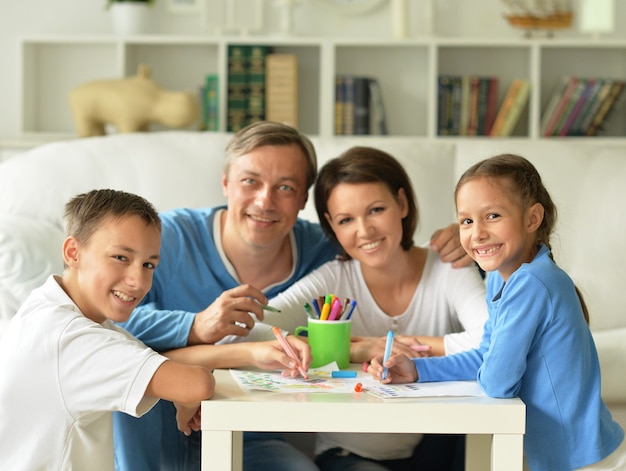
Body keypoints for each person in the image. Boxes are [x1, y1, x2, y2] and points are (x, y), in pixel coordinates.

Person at [113, 121, 472, 471]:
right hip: (151, 428)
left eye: (285, 188)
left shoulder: (325, 248)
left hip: (252, 437)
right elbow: (109, 321)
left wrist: (467, 235)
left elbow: (382, 245)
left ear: (303, 200)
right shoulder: (168, 236)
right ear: (225, 183)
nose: (265, 201)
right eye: (250, 181)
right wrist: (194, 324)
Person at [370, 154, 626, 471]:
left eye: (492, 216)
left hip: (584, 461)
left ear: (532, 218)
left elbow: (497, 380)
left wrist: (490, 367)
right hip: (568, 457)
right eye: (466, 221)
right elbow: (486, 356)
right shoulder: (499, 279)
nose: (476, 233)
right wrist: (419, 370)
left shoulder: (531, 283)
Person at [263, 146, 488, 471]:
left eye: (376, 210)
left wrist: (414, 347)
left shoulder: (448, 267)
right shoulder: (332, 279)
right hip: (349, 455)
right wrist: (354, 348)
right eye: (346, 219)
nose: (365, 231)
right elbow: (256, 329)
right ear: (330, 224)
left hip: (439, 444)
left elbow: (495, 341)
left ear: (402, 203)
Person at [0, 189, 215, 470]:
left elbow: (158, 361)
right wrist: (185, 399)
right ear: (73, 252)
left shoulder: (51, 310)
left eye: (149, 264)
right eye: (121, 258)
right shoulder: (71, 338)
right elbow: (195, 385)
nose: (138, 281)